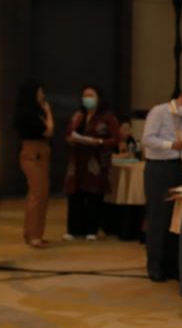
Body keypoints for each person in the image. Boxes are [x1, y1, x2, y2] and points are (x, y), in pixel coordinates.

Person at [140, 85, 182, 281]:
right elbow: (147, 139)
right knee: (158, 217)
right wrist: (172, 145)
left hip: (179, 168)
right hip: (159, 168)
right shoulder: (159, 111)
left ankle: (171, 266)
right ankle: (155, 267)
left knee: (175, 218)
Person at [63, 85, 120, 240]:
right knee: (75, 195)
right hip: (77, 161)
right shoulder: (78, 116)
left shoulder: (108, 118)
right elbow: (68, 134)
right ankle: (74, 229)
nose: (87, 99)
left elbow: (115, 139)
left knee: (93, 195)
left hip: (96, 162)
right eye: (85, 96)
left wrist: (99, 142)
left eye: (91, 95)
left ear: (99, 98)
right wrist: (71, 139)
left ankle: (91, 229)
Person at [14, 80, 54, 248]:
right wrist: (49, 112)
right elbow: (48, 131)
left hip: (40, 153)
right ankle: (33, 235)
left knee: (41, 194)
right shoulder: (27, 114)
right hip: (33, 154)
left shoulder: (35, 112)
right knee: (37, 195)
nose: (42, 95)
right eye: (40, 92)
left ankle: (35, 233)